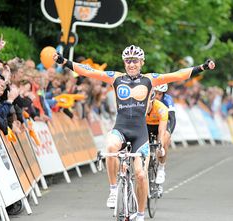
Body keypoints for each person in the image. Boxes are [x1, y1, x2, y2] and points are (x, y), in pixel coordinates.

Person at [53, 45, 215, 221]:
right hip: (121, 128)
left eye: (135, 61)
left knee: (140, 174)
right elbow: (89, 71)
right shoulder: (116, 78)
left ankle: (140, 214)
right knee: (110, 147)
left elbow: (177, 75)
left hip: (140, 134)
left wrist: (202, 67)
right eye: (128, 61)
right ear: (124, 62)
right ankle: (114, 190)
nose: (131, 64)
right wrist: (64, 61)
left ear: (141, 62)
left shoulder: (150, 79)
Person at [146, 91, 168, 193]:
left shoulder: (161, 108)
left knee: (166, 137)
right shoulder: (139, 108)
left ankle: (161, 167)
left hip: (158, 126)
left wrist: (160, 145)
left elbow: (161, 131)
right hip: (145, 126)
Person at [153, 84, 175, 185]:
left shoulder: (167, 99)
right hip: (149, 123)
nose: (157, 96)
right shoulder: (147, 98)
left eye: (160, 94)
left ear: (164, 94)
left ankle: (161, 168)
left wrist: (169, 132)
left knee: (165, 137)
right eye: (155, 93)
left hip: (163, 123)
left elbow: (172, 118)